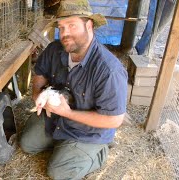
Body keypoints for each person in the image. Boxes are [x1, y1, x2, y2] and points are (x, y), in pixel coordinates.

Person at [20, 0, 128, 179]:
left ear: (89, 26)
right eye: (61, 27)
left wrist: (67, 113)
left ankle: (98, 152)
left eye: (72, 25)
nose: (65, 33)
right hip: (56, 116)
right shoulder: (55, 49)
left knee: (59, 172)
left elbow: (114, 120)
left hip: (87, 130)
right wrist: (38, 93)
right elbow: (40, 72)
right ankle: (65, 144)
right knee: (27, 144)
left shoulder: (109, 70)